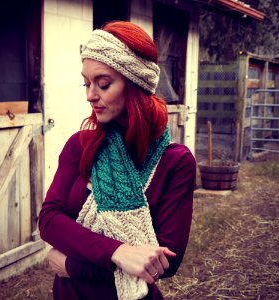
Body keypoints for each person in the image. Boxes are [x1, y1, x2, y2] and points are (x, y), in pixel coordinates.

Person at [38, 21, 196, 300]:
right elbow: (50, 220)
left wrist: (71, 264)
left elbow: (164, 262)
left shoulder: (175, 162)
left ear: (135, 84)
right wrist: (118, 253)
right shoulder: (80, 146)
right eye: (86, 83)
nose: (90, 95)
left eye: (103, 83)